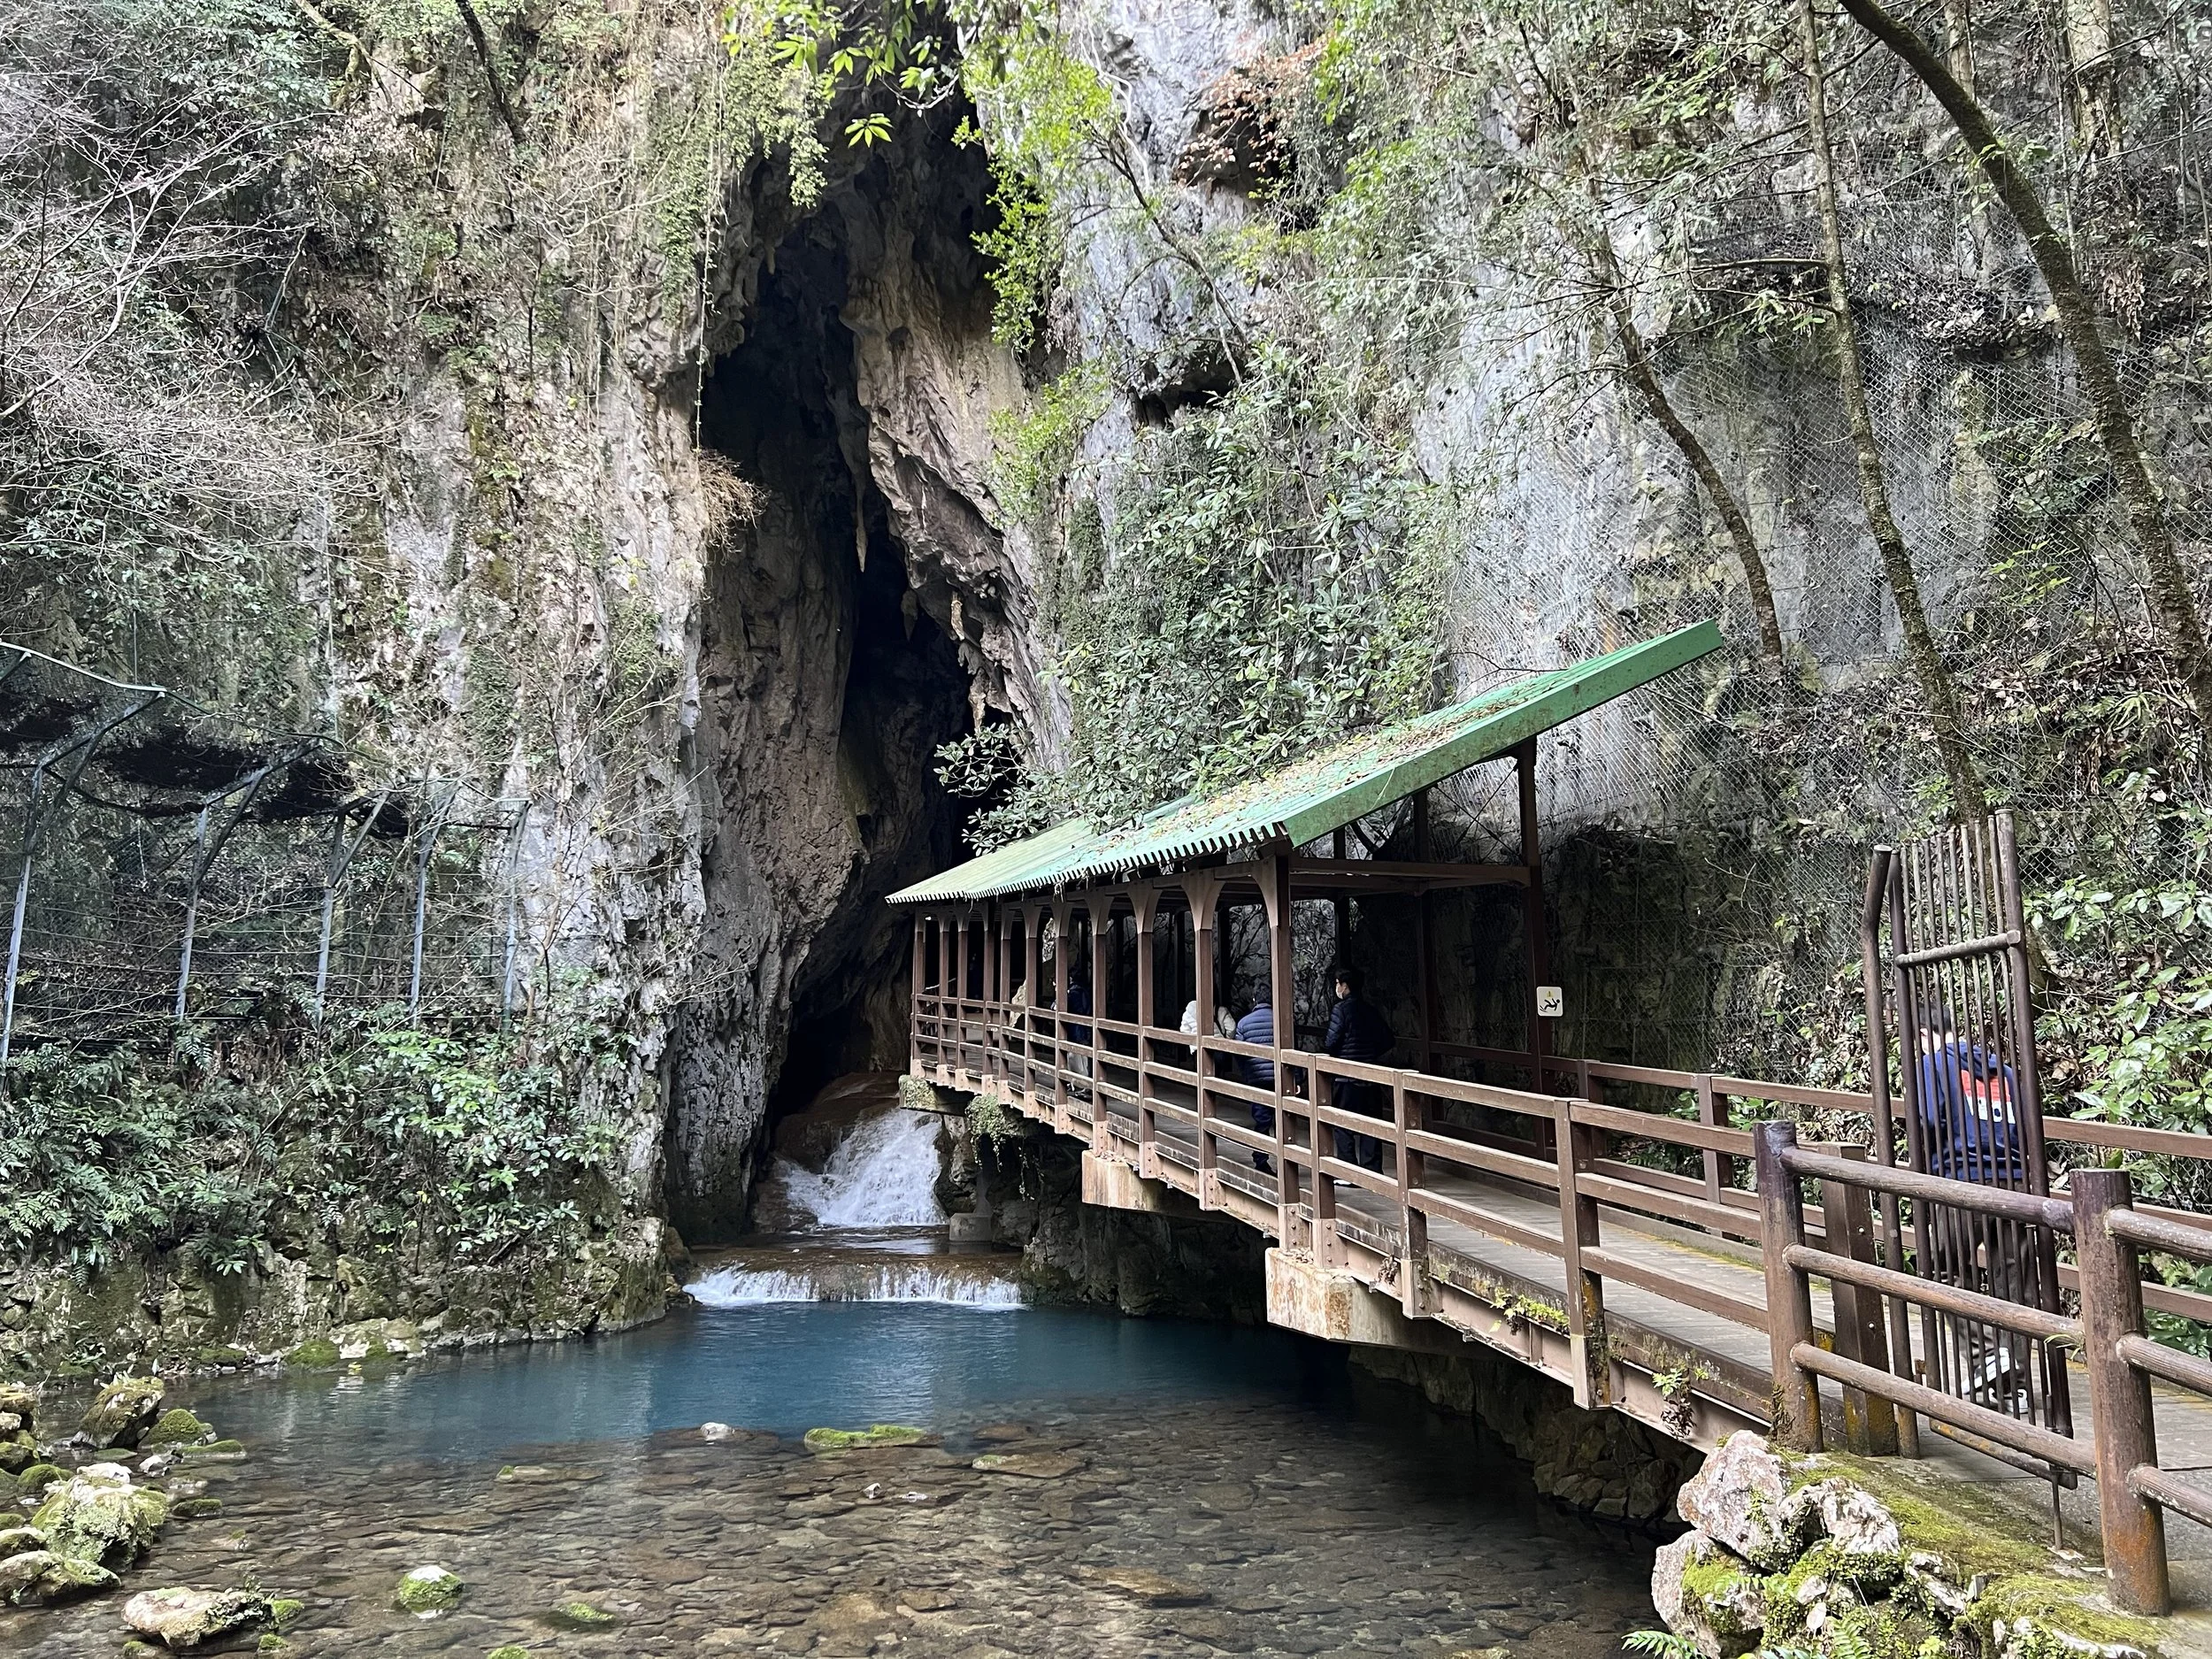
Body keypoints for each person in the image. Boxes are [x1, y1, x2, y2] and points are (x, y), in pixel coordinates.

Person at [1324, 964, 1394, 1172]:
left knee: (1343, 1123)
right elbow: (1388, 1039)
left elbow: (1331, 1041)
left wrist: (1341, 1055)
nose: (1337, 988)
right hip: (1370, 1076)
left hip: (1346, 1077)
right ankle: (1372, 1170)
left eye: (1338, 984)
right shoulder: (1370, 1009)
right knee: (1371, 1124)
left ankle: (1348, 1171)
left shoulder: (1340, 1010)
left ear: (1345, 987)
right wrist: (1370, 1054)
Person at [1234, 996, 1281, 1174]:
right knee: (1283, 1119)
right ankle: (1287, 1163)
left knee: (1262, 1120)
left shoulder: (1244, 1023)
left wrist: (1247, 1072)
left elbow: (1238, 1052)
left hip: (1257, 1078)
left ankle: (1261, 1160)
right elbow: (1294, 1049)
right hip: (1279, 1078)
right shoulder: (1281, 1021)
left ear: (1254, 1002)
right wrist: (1297, 1079)